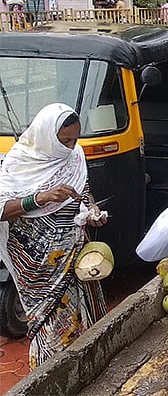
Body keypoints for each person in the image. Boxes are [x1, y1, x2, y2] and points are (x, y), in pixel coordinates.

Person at [0, 103, 109, 368]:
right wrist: (39, 199)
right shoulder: (19, 163)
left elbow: (82, 189)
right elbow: (2, 209)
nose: (71, 147)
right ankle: (52, 377)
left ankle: (92, 373)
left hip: (76, 255)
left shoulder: (75, 156)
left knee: (88, 316)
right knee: (52, 328)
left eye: (75, 140)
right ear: (47, 136)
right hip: (39, 268)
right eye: (64, 141)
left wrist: (91, 208)